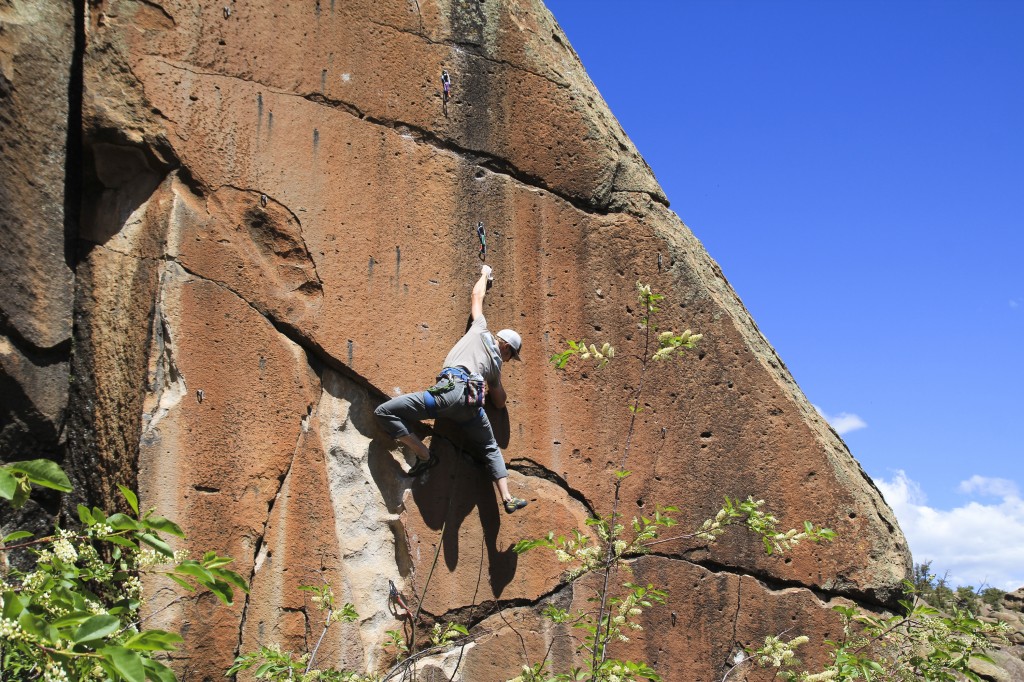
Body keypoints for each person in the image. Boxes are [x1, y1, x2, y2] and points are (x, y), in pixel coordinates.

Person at [373, 264, 528, 514]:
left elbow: (477, 296)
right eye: (512, 356)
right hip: (470, 408)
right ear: (507, 348)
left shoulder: (480, 330)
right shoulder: (495, 365)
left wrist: (485, 274)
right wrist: (494, 380)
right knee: (490, 447)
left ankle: (424, 454)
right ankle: (508, 497)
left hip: (446, 396)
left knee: (384, 412)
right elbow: (499, 402)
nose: (509, 361)